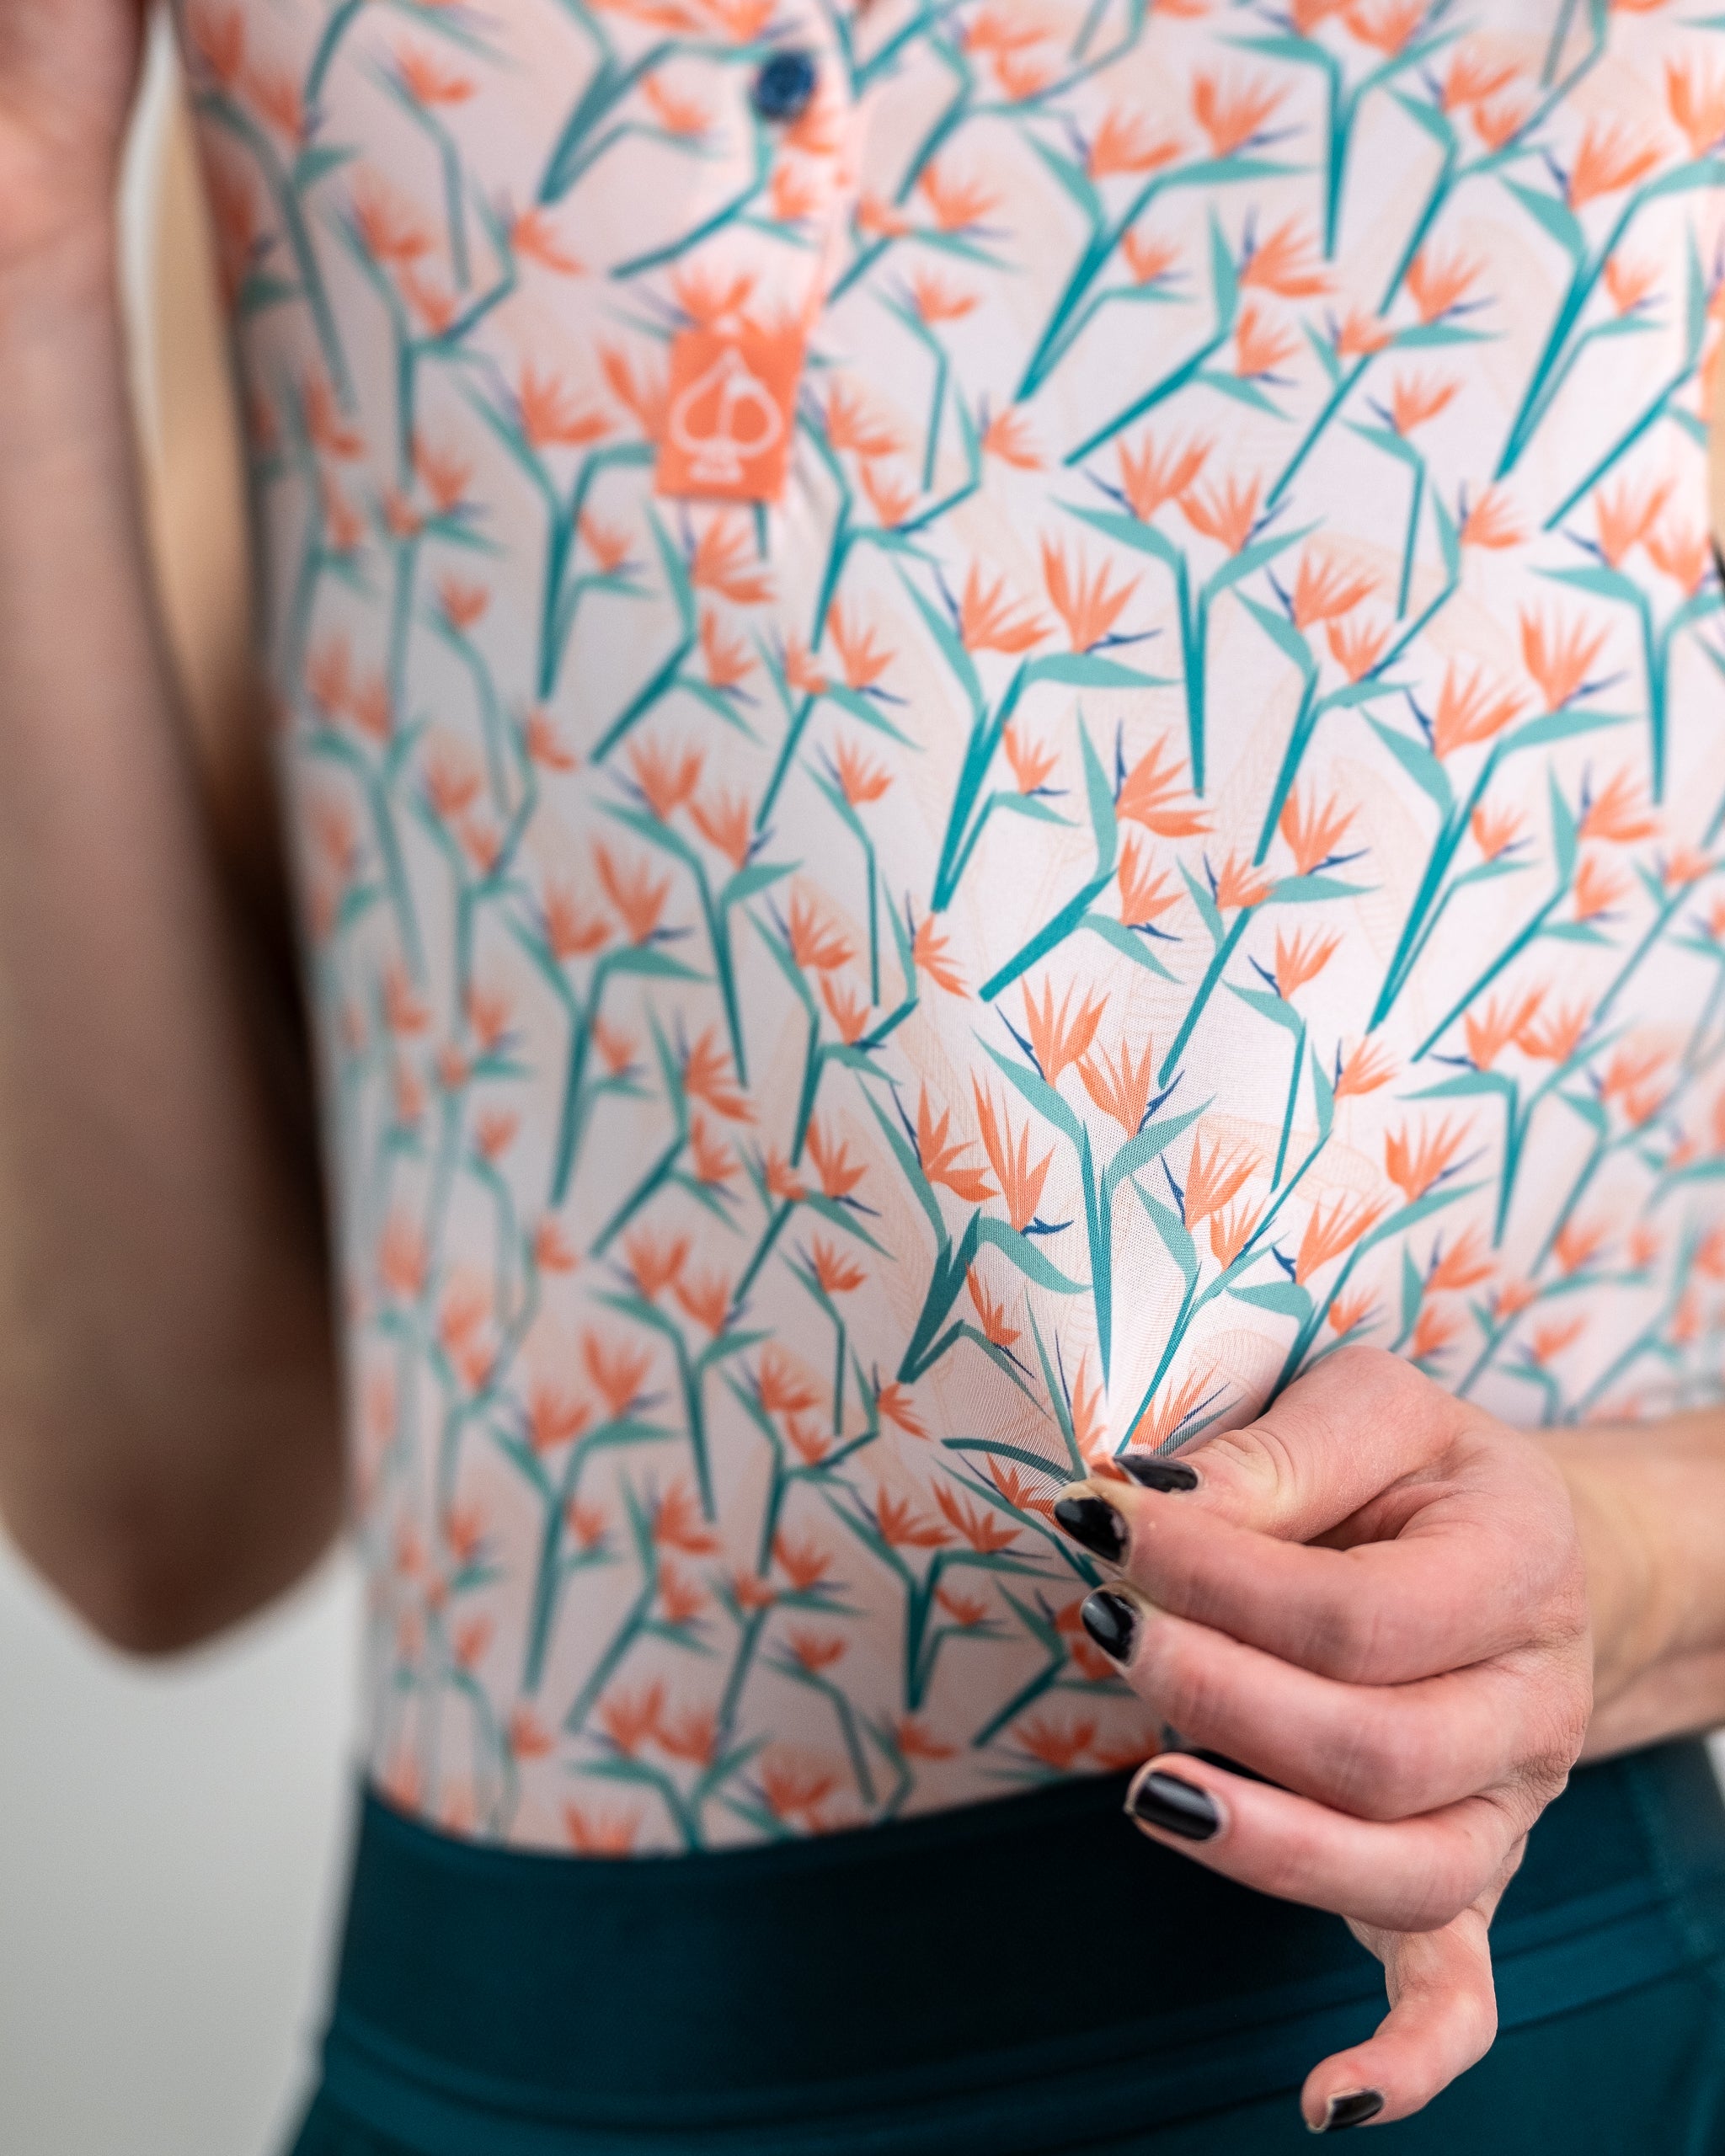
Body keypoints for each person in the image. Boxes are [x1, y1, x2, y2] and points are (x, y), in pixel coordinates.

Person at [7, 0, 1725, 2146]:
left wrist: (1633, 1576)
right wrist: (25, 260)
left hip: (1448, 2052)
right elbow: (166, 1503)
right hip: (512, 2077)